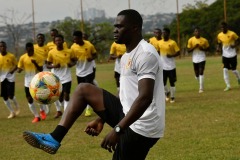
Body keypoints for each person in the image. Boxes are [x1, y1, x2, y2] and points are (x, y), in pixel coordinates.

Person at [23, 9, 165, 160]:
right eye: (114, 26)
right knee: (83, 89)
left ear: (135, 28)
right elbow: (125, 93)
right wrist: (102, 118)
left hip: (143, 126)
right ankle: (54, 138)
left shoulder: (145, 54)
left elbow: (145, 98)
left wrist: (117, 129)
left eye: (120, 27)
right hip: (130, 116)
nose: (115, 30)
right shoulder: (126, 56)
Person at [46, 34, 75, 118]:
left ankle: (66, 113)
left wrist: (71, 64)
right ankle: (59, 110)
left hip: (67, 76)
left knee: (66, 94)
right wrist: (54, 66)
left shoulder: (69, 51)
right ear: (54, 42)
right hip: (56, 77)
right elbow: (47, 65)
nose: (58, 42)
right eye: (56, 41)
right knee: (58, 96)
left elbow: (74, 61)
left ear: (63, 41)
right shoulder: (51, 52)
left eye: (60, 40)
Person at [17, 42, 47, 123]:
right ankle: (36, 116)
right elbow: (19, 69)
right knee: (29, 99)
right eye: (29, 50)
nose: (31, 52)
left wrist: (35, 63)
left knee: (38, 98)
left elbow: (41, 69)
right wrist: (19, 69)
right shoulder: (22, 58)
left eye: (32, 50)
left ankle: (42, 110)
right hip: (27, 81)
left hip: (37, 80)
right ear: (26, 50)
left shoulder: (38, 57)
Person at [71, 31, 97, 117]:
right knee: (82, 90)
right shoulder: (73, 47)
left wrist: (91, 58)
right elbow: (72, 60)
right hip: (79, 72)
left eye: (75, 39)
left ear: (80, 37)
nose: (74, 40)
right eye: (73, 39)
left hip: (88, 71)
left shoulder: (89, 45)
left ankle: (88, 108)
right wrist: (73, 60)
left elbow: (95, 55)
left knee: (87, 90)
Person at [157, 28, 180, 103]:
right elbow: (157, 52)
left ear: (168, 34)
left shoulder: (173, 42)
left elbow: (178, 52)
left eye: (165, 33)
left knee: (172, 82)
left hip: (171, 66)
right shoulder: (159, 42)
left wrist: (172, 55)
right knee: (163, 83)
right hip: (162, 66)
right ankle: (167, 92)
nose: (163, 34)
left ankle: (172, 97)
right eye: (163, 33)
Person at [216, 22, 240, 91]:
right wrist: (218, 48)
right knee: (225, 69)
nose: (223, 28)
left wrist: (234, 45)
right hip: (225, 55)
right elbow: (218, 42)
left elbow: (238, 40)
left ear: (227, 27)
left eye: (224, 27)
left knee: (234, 70)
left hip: (232, 54)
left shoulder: (232, 34)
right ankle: (228, 85)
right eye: (221, 27)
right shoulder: (219, 35)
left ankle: (238, 78)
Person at [0, 41, 20, 119]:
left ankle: (17, 106)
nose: (2, 48)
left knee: (11, 96)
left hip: (11, 78)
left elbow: (16, 65)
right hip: (2, 79)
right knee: (4, 97)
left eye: (4, 46)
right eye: (1, 46)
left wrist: (12, 71)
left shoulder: (11, 56)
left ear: (6, 47)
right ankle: (12, 112)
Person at [187, 27, 209, 93]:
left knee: (201, 71)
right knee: (196, 74)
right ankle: (200, 82)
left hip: (202, 57)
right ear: (194, 33)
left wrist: (202, 49)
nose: (197, 32)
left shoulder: (204, 40)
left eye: (198, 31)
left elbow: (208, 49)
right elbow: (188, 50)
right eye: (196, 31)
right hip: (195, 58)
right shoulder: (190, 40)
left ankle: (201, 88)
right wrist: (194, 47)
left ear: (200, 32)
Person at [34, 33, 50, 114]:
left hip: (45, 71)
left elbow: (49, 59)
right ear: (36, 40)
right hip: (36, 71)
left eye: (41, 38)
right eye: (38, 38)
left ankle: (47, 106)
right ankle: (41, 109)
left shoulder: (47, 48)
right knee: (37, 90)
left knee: (47, 89)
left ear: (44, 39)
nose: (40, 39)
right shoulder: (33, 47)